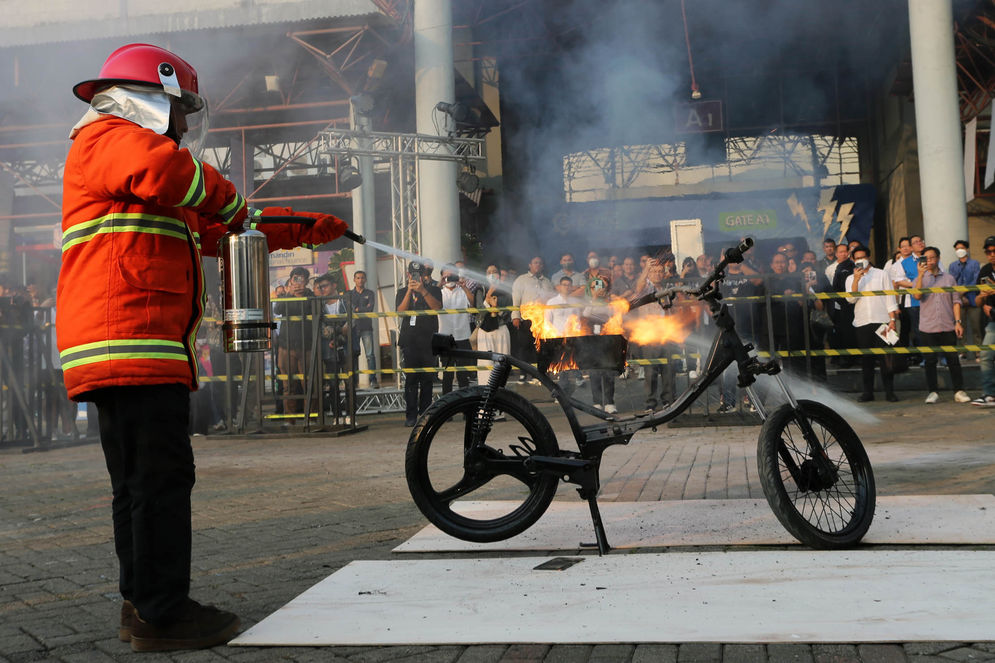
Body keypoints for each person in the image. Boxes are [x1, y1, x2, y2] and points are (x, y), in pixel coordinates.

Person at [57, 43, 350, 652]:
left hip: (130, 345)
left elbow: (223, 227)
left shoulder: (133, 164)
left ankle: (142, 607)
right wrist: (234, 199)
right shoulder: (109, 139)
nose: (186, 126)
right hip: (131, 342)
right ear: (147, 99)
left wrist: (301, 227)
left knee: (140, 484)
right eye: (179, 110)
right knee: (161, 479)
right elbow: (177, 177)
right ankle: (166, 614)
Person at [912, 246, 970, 404]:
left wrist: (958, 322)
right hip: (927, 326)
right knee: (930, 360)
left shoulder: (949, 279)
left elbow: (956, 302)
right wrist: (920, 275)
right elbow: (916, 295)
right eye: (926, 258)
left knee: (953, 359)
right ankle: (933, 392)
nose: (929, 261)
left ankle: (959, 390)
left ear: (938, 258)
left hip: (947, 325)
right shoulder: (920, 278)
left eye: (932, 257)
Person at [844, 245, 899, 402]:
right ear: (853, 260)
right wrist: (856, 279)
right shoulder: (850, 278)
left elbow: (890, 297)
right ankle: (868, 392)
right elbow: (850, 299)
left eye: (863, 257)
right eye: (857, 258)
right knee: (866, 360)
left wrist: (893, 320)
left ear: (869, 257)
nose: (861, 260)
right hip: (862, 323)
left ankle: (890, 392)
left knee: (886, 358)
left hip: (883, 321)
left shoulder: (882, 274)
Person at [396, 262, 442, 425]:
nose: (416, 277)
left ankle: (425, 414)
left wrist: (422, 290)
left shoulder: (434, 290)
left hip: (428, 340)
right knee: (411, 379)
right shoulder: (402, 291)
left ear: (424, 275)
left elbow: (437, 307)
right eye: (413, 274)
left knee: (428, 379)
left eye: (419, 274)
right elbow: (401, 312)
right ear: (408, 275)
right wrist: (410, 290)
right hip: (410, 340)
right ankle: (410, 415)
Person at [273, 266, 315, 414]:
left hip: (307, 346)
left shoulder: (311, 296)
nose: (298, 283)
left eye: (301, 279)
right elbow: (277, 309)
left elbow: (314, 310)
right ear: (290, 281)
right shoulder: (286, 296)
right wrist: (289, 294)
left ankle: (311, 416)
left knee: (309, 383)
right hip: (286, 346)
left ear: (307, 281)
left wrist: (302, 295)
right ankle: (290, 418)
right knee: (288, 385)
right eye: (294, 279)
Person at [511, 255, 553, 380]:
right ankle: (523, 373)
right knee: (525, 346)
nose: (538, 265)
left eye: (540, 263)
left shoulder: (547, 282)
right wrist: (515, 316)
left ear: (543, 266)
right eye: (535, 263)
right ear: (530, 265)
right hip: (526, 319)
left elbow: (551, 300)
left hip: (543, 320)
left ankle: (540, 373)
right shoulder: (521, 280)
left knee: (542, 347)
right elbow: (516, 300)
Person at [438, 264, 474, 394]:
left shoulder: (462, 291)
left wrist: (464, 286)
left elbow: (472, 303)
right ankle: (447, 408)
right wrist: (439, 284)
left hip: (462, 335)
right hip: (444, 337)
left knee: (463, 374)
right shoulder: (440, 292)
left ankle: (464, 405)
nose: (449, 278)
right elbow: (432, 302)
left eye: (452, 275)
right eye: (446, 276)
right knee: (447, 374)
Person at [474, 264, 512, 385]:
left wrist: (496, 308)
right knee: (486, 364)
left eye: (494, 271)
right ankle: (485, 392)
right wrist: (488, 297)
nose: (492, 274)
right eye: (489, 272)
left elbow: (508, 311)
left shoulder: (505, 291)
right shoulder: (480, 289)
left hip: (501, 329)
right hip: (485, 331)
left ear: (499, 275)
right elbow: (479, 311)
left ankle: (501, 390)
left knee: (502, 361)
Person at [948, 240, 982, 361]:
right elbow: (952, 281)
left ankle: (979, 353)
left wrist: (965, 292)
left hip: (973, 299)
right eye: (957, 248)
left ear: (967, 249)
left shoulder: (974, 263)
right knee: (960, 326)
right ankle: (963, 352)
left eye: (961, 248)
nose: (959, 250)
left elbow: (976, 279)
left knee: (976, 327)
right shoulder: (953, 266)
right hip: (959, 300)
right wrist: (960, 295)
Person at [972, 236, 995, 407]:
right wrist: (982, 297)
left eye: (994, 251)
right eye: (988, 252)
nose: (991, 255)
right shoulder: (985, 270)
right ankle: (989, 394)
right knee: (986, 355)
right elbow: (977, 302)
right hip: (992, 321)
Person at [346, 270, 378, 388]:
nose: (360, 280)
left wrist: (358, 309)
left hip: (366, 328)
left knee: (370, 355)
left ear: (366, 279)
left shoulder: (370, 293)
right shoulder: (349, 294)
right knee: (354, 355)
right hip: (353, 328)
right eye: (358, 278)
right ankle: (354, 382)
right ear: (354, 280)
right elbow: (349, 308)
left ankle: (373, 380)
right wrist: (361, 308)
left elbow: (370, 308)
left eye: (362, 278)